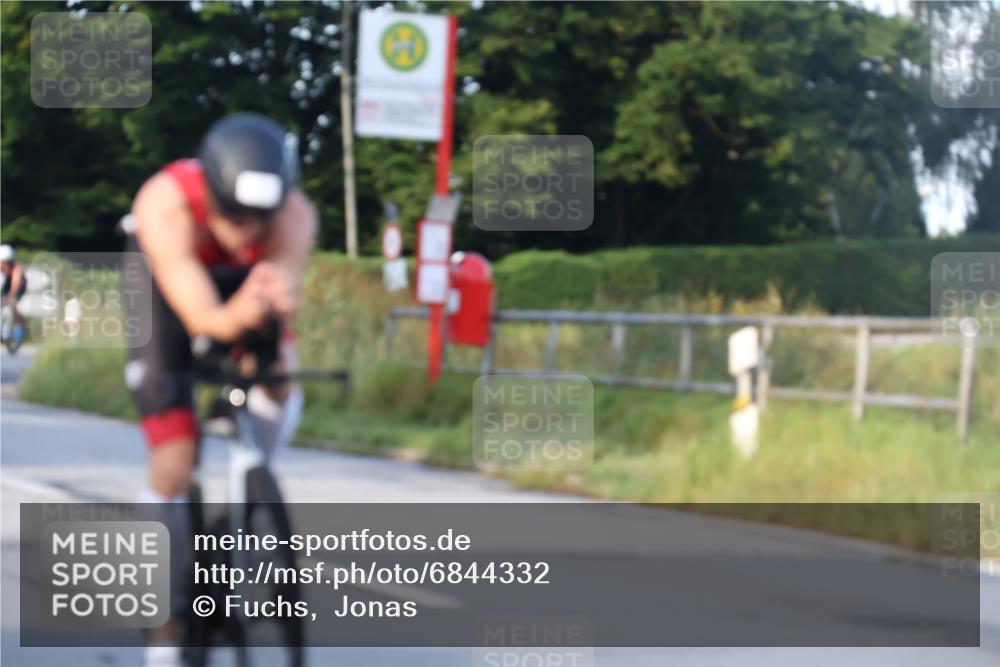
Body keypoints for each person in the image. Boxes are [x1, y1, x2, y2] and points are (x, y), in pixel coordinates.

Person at [122, 113, 317, 667]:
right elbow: (204, 318)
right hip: (167, 289)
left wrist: (272, 320)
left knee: (281, 374)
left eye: (262, 219)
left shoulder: (296, 214)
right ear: (211, 192)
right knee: (174, 460)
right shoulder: (164, 203)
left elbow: (276, 295)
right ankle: (162, 634)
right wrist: (233, 321)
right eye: (235, 216)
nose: (248, 232)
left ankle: (253, 481)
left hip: (240, 286)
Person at [0, 244, 28, 342]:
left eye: (3, 263)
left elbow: (15, 285)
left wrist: (10, 296)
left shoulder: (16, 269)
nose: (1, 265)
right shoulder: (2, 267)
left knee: (12, 301)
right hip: (8, 283)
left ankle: (19, 325)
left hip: (20, 285)